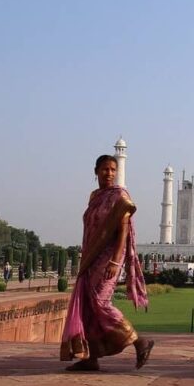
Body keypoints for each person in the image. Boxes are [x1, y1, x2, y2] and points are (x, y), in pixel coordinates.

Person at [60, 154, 154, 371]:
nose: (109, 173)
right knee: (88, 305)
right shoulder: (95, 196)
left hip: (109, 257)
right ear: (96, 171)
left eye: (113, 169)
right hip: (91, 256)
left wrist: (115, 261)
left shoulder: (120, 196)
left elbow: (123, 231)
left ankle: (139, 341)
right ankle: (90, 357)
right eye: (105, 169)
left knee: (100, 302)